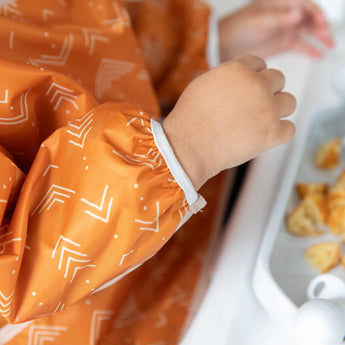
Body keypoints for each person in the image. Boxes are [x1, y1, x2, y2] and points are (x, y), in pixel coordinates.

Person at [0, 0, 332, 344]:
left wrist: (202, 47)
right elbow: (17, 274)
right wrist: (184, 148)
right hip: (143, 303)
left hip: (206, 155)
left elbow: (72, 35)